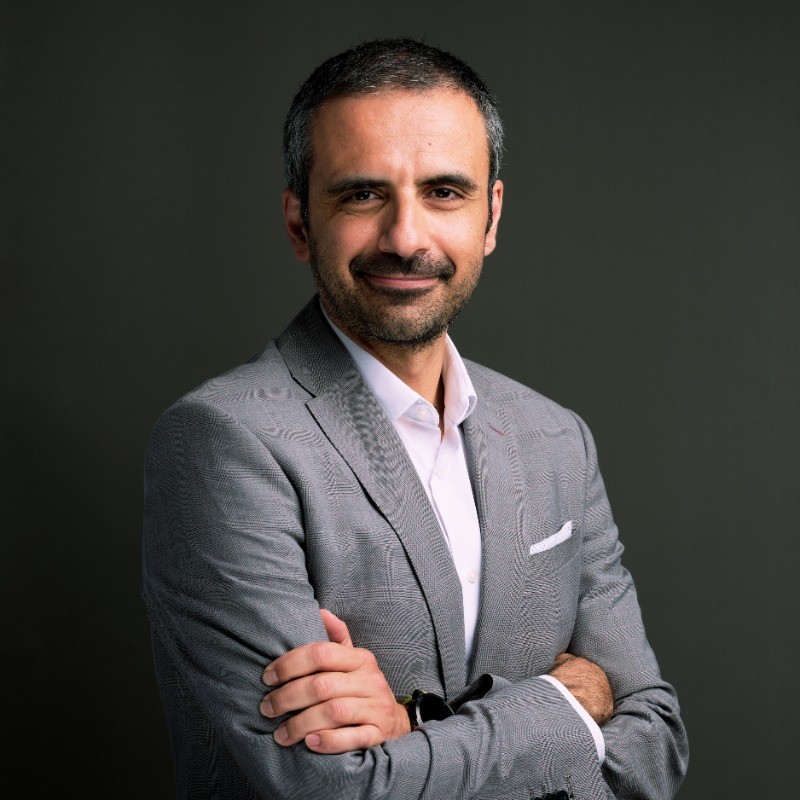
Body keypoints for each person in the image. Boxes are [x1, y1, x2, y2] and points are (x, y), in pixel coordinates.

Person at [143, 39, 688, 799]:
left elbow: (656, 746)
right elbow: (332, 787)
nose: (405, 237)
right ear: (300, 223)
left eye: (444, 192)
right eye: (363, 194)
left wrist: (411, 728)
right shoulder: (223, 442)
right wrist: (571, 703)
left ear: (491, 216)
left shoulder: (557, 439)